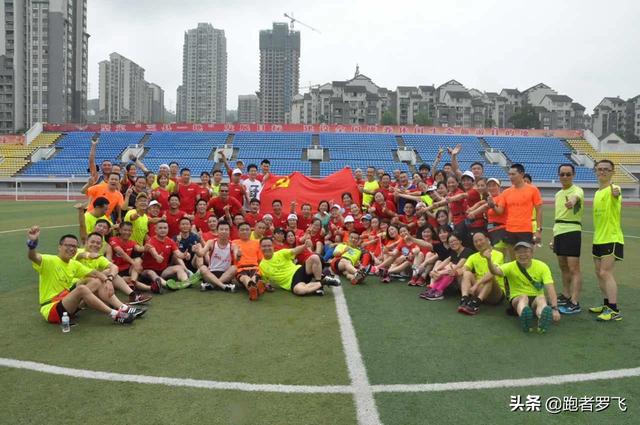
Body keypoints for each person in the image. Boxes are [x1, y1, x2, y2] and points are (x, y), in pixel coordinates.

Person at [27, 226, 137, 325]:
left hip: (66, 301)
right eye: (68, 245)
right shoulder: (49, 260)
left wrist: (108, 281)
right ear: (59, 247)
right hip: (52, 308)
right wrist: (32, 244)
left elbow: (95, 273)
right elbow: (33, 257)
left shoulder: (73, 264)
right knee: (81, 289)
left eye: (74, 246)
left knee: (96, 280)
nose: (71, 249)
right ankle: (115, 314)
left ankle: (122, 307)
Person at [484, 241, 561, 333]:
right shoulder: (510, 266)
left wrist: (554, 308)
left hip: (536, 298)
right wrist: (489, 260)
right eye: (519, 252)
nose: (522, 255)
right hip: (517, 298)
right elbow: (495, 271)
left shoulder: (542, 266)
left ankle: (542, 319)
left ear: (532, 253)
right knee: (523, 298)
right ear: (515, 254)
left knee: (541, 298)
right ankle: (525, 317)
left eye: (525, 251)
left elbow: (550, 287)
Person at [589, 159, 624, 321]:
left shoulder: (614, 188)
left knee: (605, 272)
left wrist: (615, 193)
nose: (602, 171)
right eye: (600, 169)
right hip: (598, 239)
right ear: (596, 171)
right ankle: (606, 305)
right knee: (599, 273)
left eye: (606, 169)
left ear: (612, 172)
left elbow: (616, 193)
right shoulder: (597, 193)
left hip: (612, 238)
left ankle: (614, 310)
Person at [75, 233, 150, 307]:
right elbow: (79, 256)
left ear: (101, 245)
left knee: (109, 273)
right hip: (77, 286)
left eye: (98, 243)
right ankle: (120, 306)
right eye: (92, 242)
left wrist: (109, 280)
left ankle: (132, 295)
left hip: (93, 286)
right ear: (86, 242)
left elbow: (114, 267)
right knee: (98, 279)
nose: (95, 245)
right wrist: (88, 255)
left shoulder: (99, 257)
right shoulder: (78, 251)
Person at [488, 164, 542, 257]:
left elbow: (539, 211)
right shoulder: (506, 192)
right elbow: (500, 211)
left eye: (513, 174)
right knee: (513, 259)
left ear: (522, 174)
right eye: (509, 174)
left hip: (525, 230)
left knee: (525, 258)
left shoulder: (533, 190)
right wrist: (492, 205)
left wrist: (538, 230)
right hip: (510, 230)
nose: (510, 177)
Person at [552, 164, 584, 315]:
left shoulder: (577, 190)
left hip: (572, 231)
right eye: (562, 174)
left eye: (568, 174)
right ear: (558, 175)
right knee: (563, 266)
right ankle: (566, 295)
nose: (565, 177)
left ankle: (575, 302)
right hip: (559, 231)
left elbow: (575, 197)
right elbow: (558, 217)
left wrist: (572, 201)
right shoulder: (558, 194)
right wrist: (554, 237)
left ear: (573, 175)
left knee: (574, 268)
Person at [259, 238, 341, 296]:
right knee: (299, 291)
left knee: (314, 257)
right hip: (291, 283)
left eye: (269, 245)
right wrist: (266, 285)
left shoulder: (281, 253)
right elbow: (266, 281)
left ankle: (319, 282)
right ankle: (323, 282)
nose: (267, 248)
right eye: (264, 246)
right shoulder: (262, 266)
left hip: (299, 271)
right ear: (260, 247)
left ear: (273, 246)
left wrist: (305, 246)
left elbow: (294, 250)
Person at [457, 232, 504, 315]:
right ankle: (464, 300)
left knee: (490, 277)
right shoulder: (473, 256)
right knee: (467, 273)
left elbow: (492, 272)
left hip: (495, 294)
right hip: (480, 290)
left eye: (480, 240)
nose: (478, 243)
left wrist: (476, 285)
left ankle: (475, 304)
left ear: (487, 240)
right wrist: (455, 271)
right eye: (475, 241)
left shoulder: (498, 254)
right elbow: (464, 269)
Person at [108, 221, 159, 294]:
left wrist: (146, 248)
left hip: (128, 269)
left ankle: (133, 282)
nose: (127, 232)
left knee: (138, 259)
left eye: (129, 230)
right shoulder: (113, 239)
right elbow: (121, 252)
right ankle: (151, 288)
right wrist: (134, 263)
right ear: (120, 230)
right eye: (125, 230)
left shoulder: (132, 242)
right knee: (127, 278)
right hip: (116, 271)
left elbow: (139, 248)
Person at [141, 221, 194, 291]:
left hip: (163, 271)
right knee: (151, 272)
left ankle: (186, 282)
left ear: (168, 229)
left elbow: (178, 254)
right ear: (155, 230)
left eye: (165, 228)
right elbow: (153, 252)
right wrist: (157, 257)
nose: (163, 230)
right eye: (160, 228)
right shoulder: (150, 241)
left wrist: (185, 255)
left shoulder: (170, 241)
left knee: (179, 267)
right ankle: (168, 285)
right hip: (147, 271)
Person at [421, 233, 472, 300]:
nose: (453, 243)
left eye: (454, 240)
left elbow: (459, 265)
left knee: (451, 268)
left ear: (460, 241)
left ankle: (439, 291)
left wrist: (440, 272)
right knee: (445, 266)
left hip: (465, 280)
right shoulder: (454, 252)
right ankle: (434, 289)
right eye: (450, 242)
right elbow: (447, 260)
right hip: (455, 277)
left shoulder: (467, 251)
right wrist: (435, 270)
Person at [196, 221, 237, 292]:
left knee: (234, 268)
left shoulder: (233, 245)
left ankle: (212, 285)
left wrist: (238, 255)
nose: (224, 231)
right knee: (202, 268)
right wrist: (197, 251)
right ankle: (223, 286)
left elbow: (237, 258)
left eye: (226, 229)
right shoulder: (211, 242)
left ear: (229, 232)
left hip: (225, 274)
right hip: (211, 273)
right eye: (221, 229)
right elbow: (201, 254)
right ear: (217, 231)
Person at [233, 222, 265, 300]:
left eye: (247, 230)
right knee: (244, 278)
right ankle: (256, 288)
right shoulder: (234, 243)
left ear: (251, 231)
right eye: (242, 230)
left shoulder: (257, 243)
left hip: (254, 267)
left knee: (255, 277)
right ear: (238, 232)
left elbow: (261, 260)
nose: (245, 232)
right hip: (240, 268)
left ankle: (253, 289)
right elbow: (233, 256)